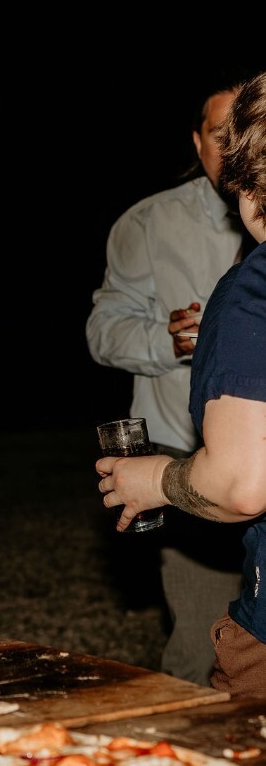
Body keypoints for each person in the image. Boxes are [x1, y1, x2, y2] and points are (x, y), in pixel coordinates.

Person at [95, 71, 266, 696]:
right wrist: (161, 341)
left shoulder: (251, 283)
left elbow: (245, 484)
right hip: (183, 447)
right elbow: (102, 330)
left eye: (247, 133)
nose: (234, 146)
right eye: (223, 134)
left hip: (235, 472)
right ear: (198, 142)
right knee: (197, 638)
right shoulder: (147, 222)